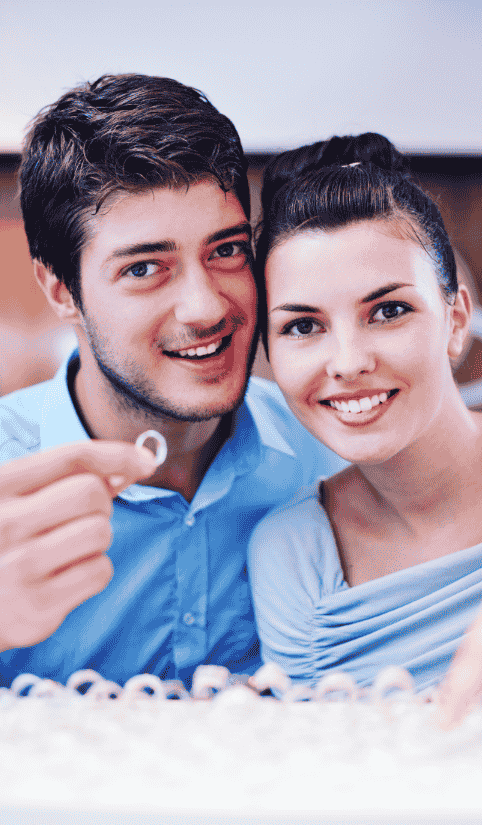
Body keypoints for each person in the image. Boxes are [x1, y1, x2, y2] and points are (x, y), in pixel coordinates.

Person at [0, 74, 346, 688]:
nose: (205, 307)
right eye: (144, 268)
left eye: (227, 251)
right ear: (61, 289)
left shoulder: (337, 453)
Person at [248, 132, 482, 707]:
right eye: (303, 327)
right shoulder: (292, 556)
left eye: (389, 311)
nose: (348, 362)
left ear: (456, 320)